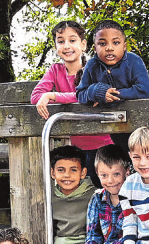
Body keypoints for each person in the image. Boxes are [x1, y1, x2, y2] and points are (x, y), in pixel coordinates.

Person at [30, 19, 114, 179]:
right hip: (77, 147)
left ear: (83, 45)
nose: (66, 46)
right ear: (56, 47)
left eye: (72, 40)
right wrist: (51, 98)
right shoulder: (55, 70)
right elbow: (35, 96)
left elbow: (89, 95)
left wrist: (52, 96)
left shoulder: (95, 68)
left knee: (107, 187)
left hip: (105, 144)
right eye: (61, 42)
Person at [76, 20, 149, 106]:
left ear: (124, 46)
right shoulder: (92, 65)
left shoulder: (133, 60)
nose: (109, 48)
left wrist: (111, 95)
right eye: (102, 44)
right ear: (95, 49)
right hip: (102, 116)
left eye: (116, 43)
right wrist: (96, 92)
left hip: (134, 114)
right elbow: (80, 94)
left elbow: (145, 91)